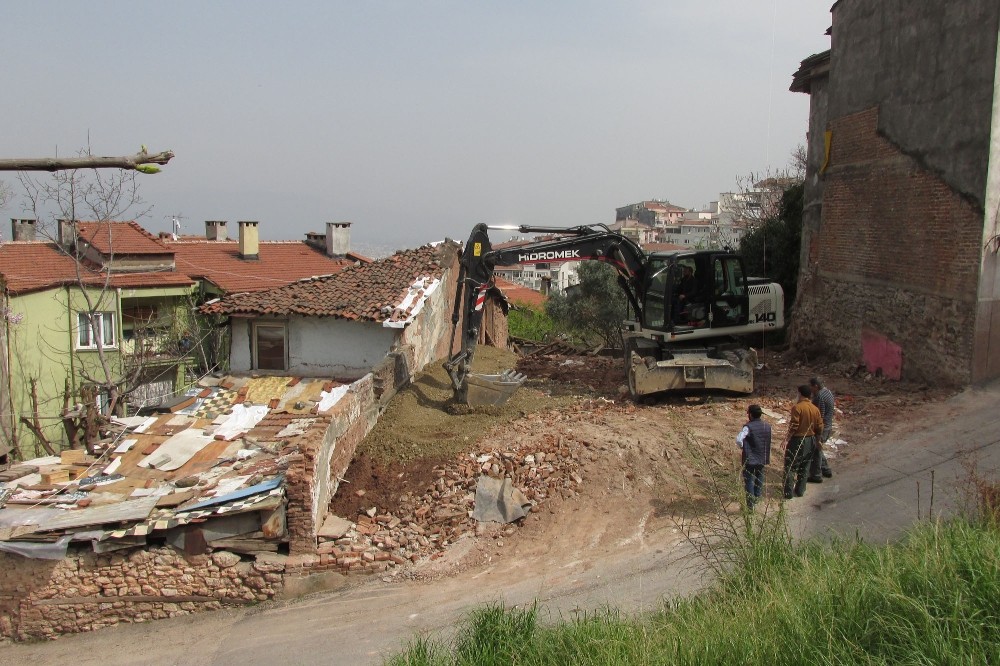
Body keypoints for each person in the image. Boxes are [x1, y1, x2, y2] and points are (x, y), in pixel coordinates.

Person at [783, 384, 823, 499]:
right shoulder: (815, 409)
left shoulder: (798, 407)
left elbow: (794, 425)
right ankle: (800, 490)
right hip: (811, 439)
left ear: (800, 394)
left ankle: (788, 493)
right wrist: (818, 440)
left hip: (798, 440)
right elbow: (819, 426)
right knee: (805, 466)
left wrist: (786, 439)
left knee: (790, 466)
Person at [736, 404, 772, 509]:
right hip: (762, 457)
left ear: (750, 415)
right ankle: (757, 497)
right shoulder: (767, 426)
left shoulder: (748, 427)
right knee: (759, 477)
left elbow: (739, 439)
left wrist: (743, 447)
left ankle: (750, 505)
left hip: (750, 458)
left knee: (749, 480)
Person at [808, 377, 835, 482]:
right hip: (828, 426)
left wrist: (816, 431)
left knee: (816, 451)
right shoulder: (828, 392)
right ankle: (826, 469)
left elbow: (819, 415)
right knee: (817, 449)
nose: (810, 389)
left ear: (815, 386)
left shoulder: (819, 396)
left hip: (822, 428)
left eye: (811, 386)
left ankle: (816, 475)